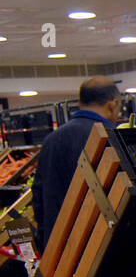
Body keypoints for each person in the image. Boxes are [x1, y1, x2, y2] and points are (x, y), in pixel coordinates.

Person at [31, 76, 123, 251]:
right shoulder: (111, 137)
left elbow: (38, 195)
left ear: (80, 102)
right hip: (102, 247)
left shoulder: (52, 139)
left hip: (59, 248)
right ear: (112, 104)